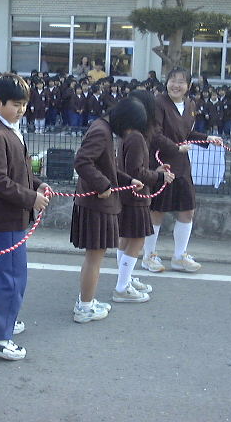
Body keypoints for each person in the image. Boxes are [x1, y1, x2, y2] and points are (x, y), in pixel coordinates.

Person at [0, 74, 50, 360]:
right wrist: (32, 198)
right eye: (15, 104)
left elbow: (18, 169)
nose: (21, 110)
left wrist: (37, 183)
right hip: (1, 218)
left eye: (24, 104)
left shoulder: (5, 127)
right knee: (10, 277)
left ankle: (2, 321)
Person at [141, 67, 222, 273]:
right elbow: (155, 134)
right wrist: (175, 147)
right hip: (161, 164)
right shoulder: (157, 103)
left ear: (188, 86)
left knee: (188, 210)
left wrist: (207, 139)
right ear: (166, 82)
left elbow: (187, 132)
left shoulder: (190, 104)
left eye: (181, 82)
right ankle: (148, 256)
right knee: (157, 211)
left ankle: (179, 256)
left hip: (182, 166)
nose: (176, 85)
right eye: (172, 80)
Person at [71, 98, 144, 323]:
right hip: (96, 205)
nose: (130, 133)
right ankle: (84, 307)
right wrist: (102, 185)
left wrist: (129, 179)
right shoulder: (102, 131)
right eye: (131, 127)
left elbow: (107, 167)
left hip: (95, 203)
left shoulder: (101, 127)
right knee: (94, 258)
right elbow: (82, 161)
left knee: (93, 258)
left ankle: (86, 301)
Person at [114, 93, 174, 303]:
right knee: (137, 240)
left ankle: (125, 279)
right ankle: (122, 287)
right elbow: (137, 172)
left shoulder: (125, 136)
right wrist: (159, 176)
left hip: (125, 195)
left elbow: (133, 168)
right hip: (137, 197)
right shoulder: (138, 137)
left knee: (126, 239)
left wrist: (155, 170)